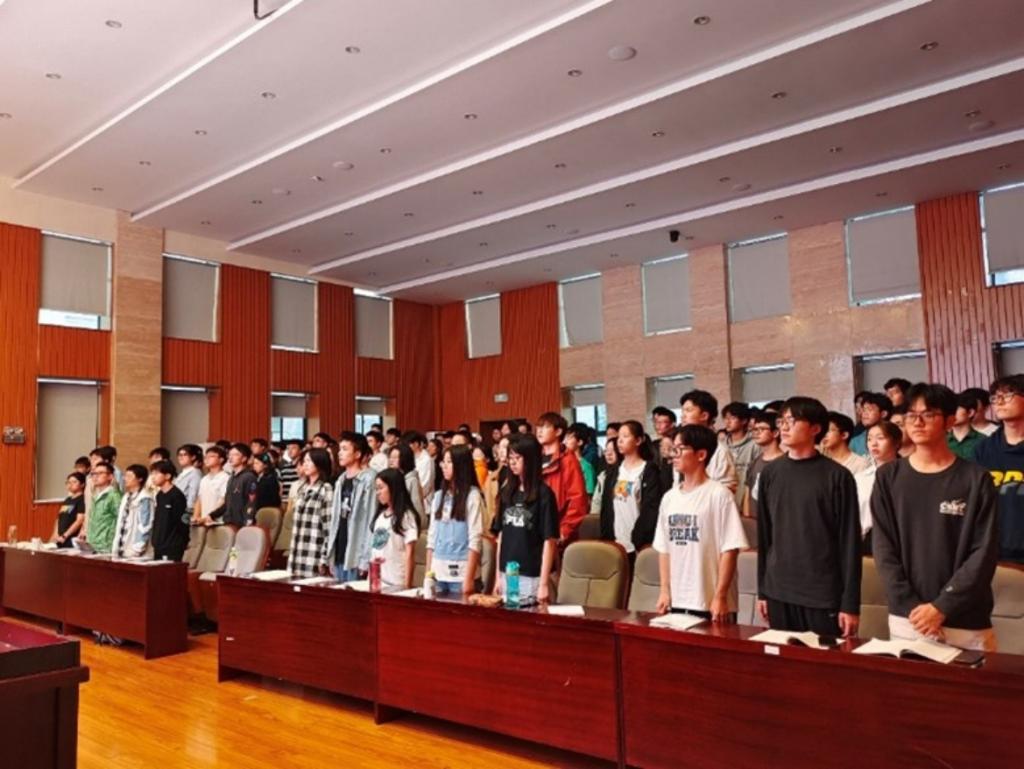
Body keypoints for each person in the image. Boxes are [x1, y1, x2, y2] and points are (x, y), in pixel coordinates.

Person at [872, 383, 999, 651]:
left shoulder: (976, 479)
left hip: (965, 620)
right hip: (909, 619)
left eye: (928, 414)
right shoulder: (888, 477)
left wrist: (942, 607)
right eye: (911, 415)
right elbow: (883, 548)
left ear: (950, 421)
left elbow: (984, 552)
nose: (917, 422)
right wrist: (914, 608)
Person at [756, 396, 861, 637]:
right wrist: (763, 590)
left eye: (792, 420)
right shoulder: (771, 473)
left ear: (815, 428)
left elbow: (849, 543)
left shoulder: (838, 476)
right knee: (782, 657)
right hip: (778, 591)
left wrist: (850, 604)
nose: (784, 426)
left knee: (824, 660)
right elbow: (765, 536)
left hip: (822, 594)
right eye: (781, 420)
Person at [654, 425, 749, 620]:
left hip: (711, 601)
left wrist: (720, 596)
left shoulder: (719, 495)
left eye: (680, 449)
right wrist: (664, 590)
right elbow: (664, 549)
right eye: (673, 449)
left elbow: (729, 550)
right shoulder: (669, 498)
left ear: (701, 455)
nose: (674, 455)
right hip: (678, 599)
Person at [492, 434, 559, 603]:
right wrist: (497, 576)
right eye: (510, 458)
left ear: (530, 460)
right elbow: (501, 536)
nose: (513, 463)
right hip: (508, 571)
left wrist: (544, 583)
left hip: (532, 574)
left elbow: (549, 540)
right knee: (509, 613)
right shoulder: (507, 492)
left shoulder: (544, 494)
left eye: (518, 458)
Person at [973, 374, 1024, 563]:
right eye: (994, 397)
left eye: (1008, 395)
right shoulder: (983, 449)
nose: (999, 402)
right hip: (997, 550)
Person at [597, 420, 664, 557]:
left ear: (638, 440)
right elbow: (606, 507)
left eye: (625, 436)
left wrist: (640, 538)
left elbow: (651, 508)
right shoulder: (614, 471)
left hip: (639, 543)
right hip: (615, 543)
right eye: (619, 437)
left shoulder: (649, 471)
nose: (620, 441)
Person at [426, 445, 483, 596]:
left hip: (462, 573)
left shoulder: (472, 495)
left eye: (449, 462)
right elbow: (431, 537)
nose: (444, 466)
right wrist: (428, 574)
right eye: (443, 462)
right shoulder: (439, 496)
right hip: (438, 572)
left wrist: (469, 578)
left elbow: (475, 539)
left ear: (461, 465)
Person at [326, 432, 378, 582]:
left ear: (357, 454)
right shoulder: (341, 480)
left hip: (356, 551)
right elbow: (335, 520)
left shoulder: (369, 479)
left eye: (345, 449)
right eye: (340, 449)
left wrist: (365, 558)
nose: (340, 453)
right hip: (339, 548)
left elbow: (370, 519)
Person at [536, 412, 587, 545]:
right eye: (538, 427)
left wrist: (564, 531)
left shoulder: (568, 460)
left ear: (558, 431)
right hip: (535, 528)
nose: (539, 431)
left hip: (558, 530)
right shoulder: (534, 458)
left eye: (545, 427)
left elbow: (578, 499)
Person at [287, 449, 334, 579]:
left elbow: (328, 528)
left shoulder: (326, 489)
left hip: (314, 552)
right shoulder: (302, 488)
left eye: (309, 461)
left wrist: (324, 559)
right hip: (297, 551)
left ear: (319, 463)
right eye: (304, 461)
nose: (305, 464)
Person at [679, 390, 738, 494]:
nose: (683, 416)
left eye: (688, 410)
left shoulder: (720, 450)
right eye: (682, 411)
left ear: (704, 416)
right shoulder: (680, 449)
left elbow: (728, 489)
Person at [853, 420, 902, 546]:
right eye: (869, 439)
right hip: (868, 540)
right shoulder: (860, 478)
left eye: (880, 438)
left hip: (901, 537)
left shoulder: (907, 474)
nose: (873, 444)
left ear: (896, 442)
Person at [370, 468, 420, 589]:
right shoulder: (380, 516)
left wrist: (407, 586)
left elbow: (410, 553)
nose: (378, 493)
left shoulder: (406, 516)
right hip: (379, 579)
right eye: (376, 489)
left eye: (381, 488)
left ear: (393, 487)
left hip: (396, 581)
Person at [743, 410, 782, 544]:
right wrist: (748, 518)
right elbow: (748, 492)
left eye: (762, 429)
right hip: (755, 524)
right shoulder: (755, 461)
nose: (756, 433)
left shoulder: (784, 463)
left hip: (776, 524)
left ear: (775, 433)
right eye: (755, 429)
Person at [149, 460, 191, 562]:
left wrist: (183, 542)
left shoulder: (177, 496)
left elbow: (183, 521)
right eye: (152, 474)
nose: (153, 477)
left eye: (156, 473)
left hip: (172, 545)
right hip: (159, 544)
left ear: (167, 476)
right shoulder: (159, 495)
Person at [722, 401, 760, 507]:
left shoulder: (755, 444)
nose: (727, 422)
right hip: (726, 500)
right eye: (726, 418)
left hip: (748, 499)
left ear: (744, 421)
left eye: (732, 418)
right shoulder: (721, 446)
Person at [111, 465, 154, 558]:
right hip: (122, 547)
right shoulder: (126, 496)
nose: (125, 479)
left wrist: (138, 548)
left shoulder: (144, 498)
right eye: (125, 476)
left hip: (136, 551)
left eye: (129, 476)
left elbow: (145, 526)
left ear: (140, 479)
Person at [82, 461, 122, 553]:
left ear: (110, 476)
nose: (95, 476)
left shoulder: (114, 495)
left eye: (100, 473)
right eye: (94, 474)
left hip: (106, 547)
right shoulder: (95, 495)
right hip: (92, 545)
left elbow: (120, 520)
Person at [388, 442, 426, 527]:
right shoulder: (392, 477)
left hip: (407, 524)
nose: (391, 460)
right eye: (390, 457)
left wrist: (419, 525)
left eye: (395, 457)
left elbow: (417, 505)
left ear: (404, 459)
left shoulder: (411, 480)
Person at [221, 443, 257, 526]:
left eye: (235, 454)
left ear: (244, 458)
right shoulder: (231, 477)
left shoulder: (249, 477)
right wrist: (211, 515)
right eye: (230, 454)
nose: (231, 457)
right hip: (229, 521)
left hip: (242, 523)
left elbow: (251, 502)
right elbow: (227, 502)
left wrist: (248, 521)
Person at [483, 435, 511, 533]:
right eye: (500, 447)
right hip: (492, 526)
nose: (502, 451)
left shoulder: (518, 476)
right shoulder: (491, 477)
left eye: (506, 447)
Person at [195, 445, 230, 525]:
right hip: (203, 521)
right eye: (205, 457)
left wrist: (211, 515)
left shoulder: (225, 478)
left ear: (221, 460)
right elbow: (199, 499)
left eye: (211, 456)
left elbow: (223, 500)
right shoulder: (204, 479)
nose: (206, 459)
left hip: (217, 521)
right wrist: (196, 517)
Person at [947, 392, 986, 461]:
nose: (951, 413)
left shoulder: (984, 441)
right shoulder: (941, 442)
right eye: (949, 410)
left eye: (955, 409)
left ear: (970, 413)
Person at [52, 472, 86, 548]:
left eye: (74, 482)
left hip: (71, 539)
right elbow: (59, 518)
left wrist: (65, 535)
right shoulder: (67, 500)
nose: (70, 484)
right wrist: (55, 533)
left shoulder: (82, 499)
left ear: (82, 484)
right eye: (68, 482)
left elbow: (79, 521)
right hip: (60, 538)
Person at [590, 438, 622, 516]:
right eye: (606, 450)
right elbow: (596, 501)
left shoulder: (625, 474)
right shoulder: (603, 475)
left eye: (613, 450)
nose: (608, 454)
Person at [403, 431, 436, 506]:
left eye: (407, 444)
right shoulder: (411, 457)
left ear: (416, 444)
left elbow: (425, 485)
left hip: (423, 502)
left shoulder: (426, 460)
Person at [565, 423, 596, 496]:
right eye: (565, 438)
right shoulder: (565, 463)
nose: (565, 441)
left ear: (579, 442)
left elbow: (589, 493)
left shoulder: (586, 467)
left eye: (569, 438)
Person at [174, 444, 202, 518]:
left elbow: (193, 495)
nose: (181, 457)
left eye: (185, 455)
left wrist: (187, 513)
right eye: (179, 455)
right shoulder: (182, 473)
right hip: (176, 509)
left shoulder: (195, 473)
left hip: (185, 512)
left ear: (193, 457)